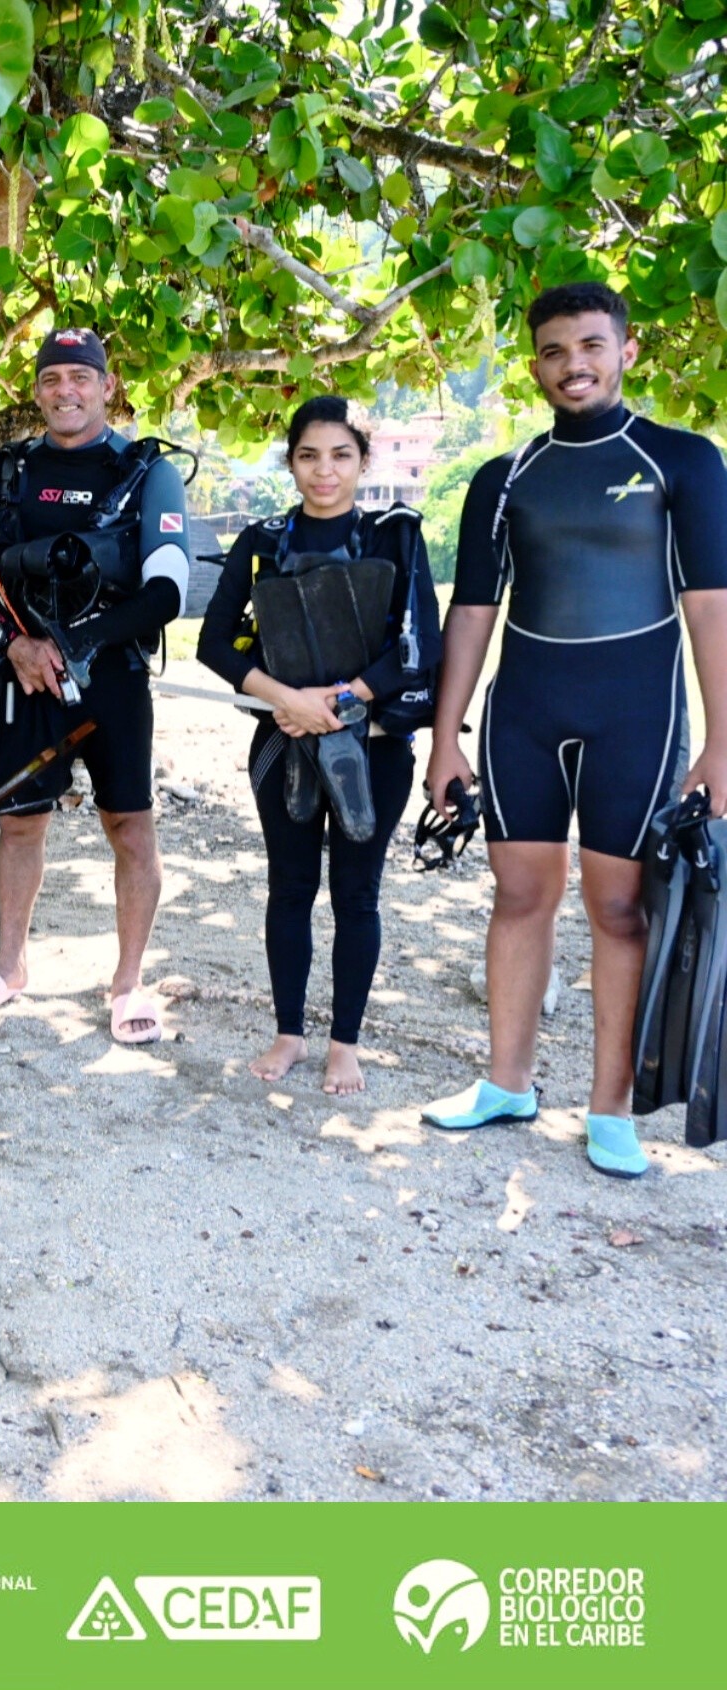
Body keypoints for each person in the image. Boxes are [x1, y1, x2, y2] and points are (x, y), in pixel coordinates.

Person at [423, 282, 727, 1177]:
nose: (574, 365)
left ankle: (612, 1110)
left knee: (620, 909)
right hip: (526, 709)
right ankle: (507, 1083)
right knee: (519, 895)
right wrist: (446, 737)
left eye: (592, 346)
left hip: (635, 711)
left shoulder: (683, 460)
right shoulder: (505, 476)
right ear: (534, 367)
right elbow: (471, 614)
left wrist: (723, 742)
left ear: (627, 352)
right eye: (555, 352)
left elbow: (710, 607)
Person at [198, 397, 440, 1095]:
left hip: (375, 746)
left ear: (364, 461)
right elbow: (215, 643)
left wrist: (336, 703)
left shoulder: (395, 535)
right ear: (290, 461)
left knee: (357, 894)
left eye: (340, 455)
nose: (324, 471)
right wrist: (286, 701)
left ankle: (345, 1044)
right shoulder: (262, 540)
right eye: (308, 456)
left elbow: (418, 646)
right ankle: (289, 1035)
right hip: (283, 741)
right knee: (290, 887)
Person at [0, 328, 189, 1039]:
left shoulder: (148, 472)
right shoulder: (9, 468)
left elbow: (168, 586)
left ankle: (127, 984)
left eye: (80, 379)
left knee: (130, 827)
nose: (66, 391)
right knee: (20, 821)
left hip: (111, 678)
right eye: (52, 379)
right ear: (35, 391)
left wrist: (75, 642)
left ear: (107, 386)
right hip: (27, 678)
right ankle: (10, 965)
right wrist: (19, 646)